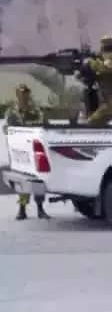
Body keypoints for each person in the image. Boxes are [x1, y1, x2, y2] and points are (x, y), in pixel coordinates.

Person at [4, 84, 49, 221]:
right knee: (23, 180)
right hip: (19, 150)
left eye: (26, 93)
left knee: (38, 179)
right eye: (21, 93)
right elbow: (7, 129)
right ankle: (22, 209)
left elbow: (42, 124)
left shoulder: (35, 109)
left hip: (33, 148)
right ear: (17, 95)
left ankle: (40, 208)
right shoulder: (11, 111)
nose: (24, 96)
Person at [84, 35, 112, 126]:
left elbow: (104, 68)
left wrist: (91, 62)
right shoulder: (111, 58)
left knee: (91, 123)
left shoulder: (111, 58)